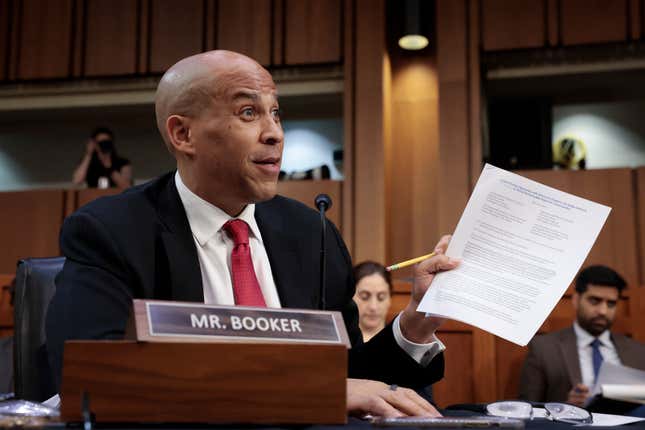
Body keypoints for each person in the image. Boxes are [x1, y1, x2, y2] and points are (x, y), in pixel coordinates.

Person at [46, 50, 460, 418]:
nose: (275, 132)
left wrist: (415, 325)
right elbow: (97, 382)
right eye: (248, 113)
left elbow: (351, 380)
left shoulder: (311, 234)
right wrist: (309, 393)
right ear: (183, 134)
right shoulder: (112, 231)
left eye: (275, 113)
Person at [519, 265, 645, 407]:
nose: (603, 311)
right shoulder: (544, 348)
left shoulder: (639, 352)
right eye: (594, 301)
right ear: (576, 300)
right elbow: (526, 408)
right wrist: (566, 407)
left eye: (611, 304)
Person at [353, 261, 392, 342]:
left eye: (381, 297)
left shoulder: (401, 345)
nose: (373, 307)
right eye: (364, 297)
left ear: (389, 299)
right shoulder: (339, 345)